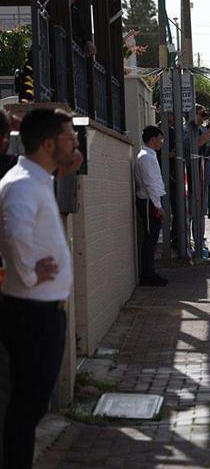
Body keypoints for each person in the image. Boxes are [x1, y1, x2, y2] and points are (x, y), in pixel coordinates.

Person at [0, 108, 81, 469]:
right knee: (25, 410)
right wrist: (32, 274)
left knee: (27, 409)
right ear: (49, 143)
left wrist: (67, 165)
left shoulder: (36, 177)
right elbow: (14, 232)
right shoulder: (21, 185)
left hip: (40, 313)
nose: (76, 143)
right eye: (70, 137)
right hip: (33, 316)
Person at [135, 126, 168, 286]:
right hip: (149, 202)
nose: (162, 142)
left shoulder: (149, 155)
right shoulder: (146, 157)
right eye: (160, 139)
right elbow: (150, 183)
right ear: (153, 139)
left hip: (151, 201)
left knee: (153, 238)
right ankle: (148, 274)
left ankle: (150, 272)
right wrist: (157, 205)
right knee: (150, 238)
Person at [183, 104, 210, 256]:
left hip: (203, 177)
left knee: (201, 212)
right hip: (191, 176)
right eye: (201, 115)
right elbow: (195, 144)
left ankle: (200, 243)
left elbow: (208, 145)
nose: (203, 118)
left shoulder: (202, 130)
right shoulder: (186, 130)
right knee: (190, 212)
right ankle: (188, 244)